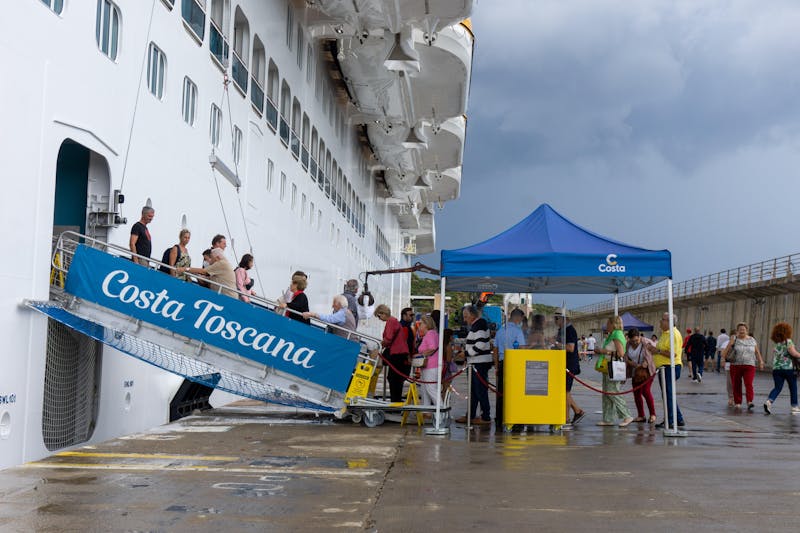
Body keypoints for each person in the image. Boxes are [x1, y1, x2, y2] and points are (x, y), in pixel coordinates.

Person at [455, 305, 492, 425]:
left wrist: (466, 353)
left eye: (466, 316)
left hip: (479, 363)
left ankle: (485, 417)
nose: (465, 319)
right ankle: (470, 415)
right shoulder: (478, 325)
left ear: (472, 315)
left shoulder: (479, 325)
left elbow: (480, 344)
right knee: (473, 391)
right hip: (475, 362)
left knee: (480, 390)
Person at [594, 316, 633, 427]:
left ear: (613, 324)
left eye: (608, 323)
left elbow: (620, 353)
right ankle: (607, 418)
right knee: (607, 393)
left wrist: (603, 351)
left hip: (613, 367)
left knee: (613, 392)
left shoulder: (616, 334)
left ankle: (627, 415)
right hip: (608, 367)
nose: (606, 326)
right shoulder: (612, 335)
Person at [493, 308, 526, 429]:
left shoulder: (500, 330)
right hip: (514, 364)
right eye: (521, 319)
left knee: (501, 392)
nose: (521, 321)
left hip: (502, 363)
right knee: (515, 393)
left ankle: (500, 418)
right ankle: (515, 419)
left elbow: (495, 350)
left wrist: (496, 366)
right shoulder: (518, 331)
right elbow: (522, 349)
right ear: (517, 318)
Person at [722, 322, 764, 411]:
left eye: (743, 329)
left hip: (749, 365)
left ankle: (749, 401)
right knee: (736, 384)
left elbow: (756, 352)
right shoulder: (734, 339)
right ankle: (738, 402)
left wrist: (760, 361)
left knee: (748, 383)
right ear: (737, 331)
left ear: (747, 331)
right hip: (736, 365)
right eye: (740, 329)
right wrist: (730, 344)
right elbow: (724, 353)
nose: (742, 331)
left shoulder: (752, 340)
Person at [653, 312, 685, 428]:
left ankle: (670, 420)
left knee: (668, 395)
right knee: (668, 394)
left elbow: (673, 354)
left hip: (669, 367)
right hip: (664, 367)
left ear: (669, 322)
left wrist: (656, 351)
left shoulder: (673, 334)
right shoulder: (665, 334)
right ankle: (678, 418)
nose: (660, 322)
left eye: (663, 320)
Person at [554, 312, 586, 426]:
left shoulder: (569, 330)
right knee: (564, 391)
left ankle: (574, 412)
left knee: (564, 391)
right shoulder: (562, 330)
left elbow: (570, 348)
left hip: (569, 365)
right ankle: (570, 414)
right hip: (563, 364)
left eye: (556, 318)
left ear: (564, 319)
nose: (555, 321)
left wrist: (556, 343)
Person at [375, 304, 411, 403]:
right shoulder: (394, 321)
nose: (379, 318)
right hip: (400, 352)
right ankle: (396, 402)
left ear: (383, 313)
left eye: (379, 316)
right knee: (395, 379)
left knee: (394, 379)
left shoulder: (391, 321)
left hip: (397, 353)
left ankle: (395, 403)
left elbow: (389, 338)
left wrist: (381, 344)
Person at [764, 322, 800, 415]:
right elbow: (793, 353)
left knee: (778, 387)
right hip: (788, 369)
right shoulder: (788, 341)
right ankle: (794, 406)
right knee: (793, 387)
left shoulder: (777, 344)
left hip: (776, 369)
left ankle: (769, 401)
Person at [625, 328, 657, 424]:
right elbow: (626, 357)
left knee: (646, 391)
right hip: (636, 371)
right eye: (632, 340)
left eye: (636, 340)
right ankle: (641, 415)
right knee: (636, 393)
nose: (635, 342)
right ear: (629, 339)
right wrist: (632, 364)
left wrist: (647, 361)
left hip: (648, 371)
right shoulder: (628, 344)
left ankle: (653, 414)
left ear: (640, 337)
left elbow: (655, 351)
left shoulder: (646, 342)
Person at [413, 316, 441, 408]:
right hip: (430, 366)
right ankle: (426, 410)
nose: (419, 326)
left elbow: (432, 348)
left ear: (426, 324)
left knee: (431, 389)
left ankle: (441, 410)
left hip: (431, 366)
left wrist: (421, 355)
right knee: (425, 389)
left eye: (420, 324)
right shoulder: (433, 334)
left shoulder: (430, 334)